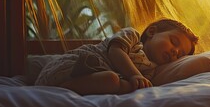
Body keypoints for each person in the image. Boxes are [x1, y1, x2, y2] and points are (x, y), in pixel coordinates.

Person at [35, 18, 199, 95]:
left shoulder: (152, 71)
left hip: (92, 76)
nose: (174, 52)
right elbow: (115, 51)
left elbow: (136, 87)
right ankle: (59, 90)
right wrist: (134, 75)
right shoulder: (132, 37)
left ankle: (67, 89)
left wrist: (134, 83)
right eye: (174, 42)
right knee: (112, 79)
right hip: (74, 65)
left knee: (111, 80)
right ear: (152, 32)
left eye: (180, 54)